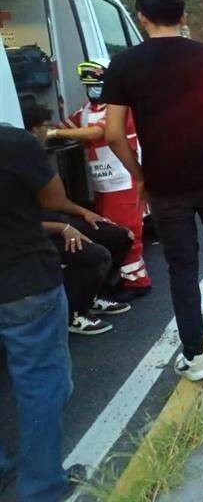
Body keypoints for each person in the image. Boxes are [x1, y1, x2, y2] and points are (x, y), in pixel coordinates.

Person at [101, 0, 203, 381]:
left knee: (182, 268)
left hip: (164, 182)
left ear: (141, 16)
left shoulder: (123, 64)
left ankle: (196, 357)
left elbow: (113, 134)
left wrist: (139, 176)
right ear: (183, 15)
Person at [0, 124, 90, 500]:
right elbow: (54, 197)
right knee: (42, 383)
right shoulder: (12, 142)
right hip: (22, 279)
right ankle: (42, 487)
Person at [22, 104, 134, 335]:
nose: (48, 132)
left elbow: (56, 202)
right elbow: (15, 223)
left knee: (119, 235)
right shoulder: (12, 165)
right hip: (31, 232)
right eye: (45, 128)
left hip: (51, 221)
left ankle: (92, 296)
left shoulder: (33, 159)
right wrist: (61, 227)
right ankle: (74, 313)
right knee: (94, 256)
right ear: (33, 131)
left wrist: (84, 212)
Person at [46, 59, 152, 302]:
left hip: (124, 181)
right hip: (103, 185)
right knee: (108, 232)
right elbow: (67, 125)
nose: (93, 90)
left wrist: (55, 133)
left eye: (97, 85)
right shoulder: (85, 111)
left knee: (127, 232)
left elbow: (97, 132)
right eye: (89, 86)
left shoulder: (120, 108)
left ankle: (138, 282)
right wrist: (48, 130)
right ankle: (121, 277)